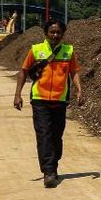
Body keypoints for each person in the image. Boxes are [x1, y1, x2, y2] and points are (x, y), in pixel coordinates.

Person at [13, 20, 84, 188]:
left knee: (56, 137)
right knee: (44, 136)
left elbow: (74, 71)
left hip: (60, 101)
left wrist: (79, 89)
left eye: (58, 32)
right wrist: (17, 95)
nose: (55, 35)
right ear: (46, 33)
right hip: (40, 100)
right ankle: (48, 172)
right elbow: (23, 71)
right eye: (52, 32)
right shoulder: (36, 50)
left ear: (63, 34)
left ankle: (53, 164)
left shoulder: (68, 51)